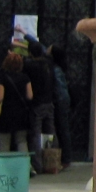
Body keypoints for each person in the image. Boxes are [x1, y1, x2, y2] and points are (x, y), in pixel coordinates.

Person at [0, 50, 36, 154]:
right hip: (21, 114)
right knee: (21, 141)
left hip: (6, 114)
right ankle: (23, 166)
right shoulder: (25, 77)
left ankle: (3, 166)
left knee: (4, 141)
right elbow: (30, 96)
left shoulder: (3, 78)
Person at [25, 41, 57, 171]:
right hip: (49, 102)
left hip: (37, 104)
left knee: (36, 135)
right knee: (50, 133)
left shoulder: (31, 66)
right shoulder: (49, 63)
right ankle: (53, 163)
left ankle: (37, 165)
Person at [50, 45, 75, 169]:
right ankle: (65, 157)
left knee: (62, 129)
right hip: (63, 100)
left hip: (60, 102)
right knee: (63, 129)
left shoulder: (55, 70)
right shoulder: (60, 68)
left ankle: (65, 158)